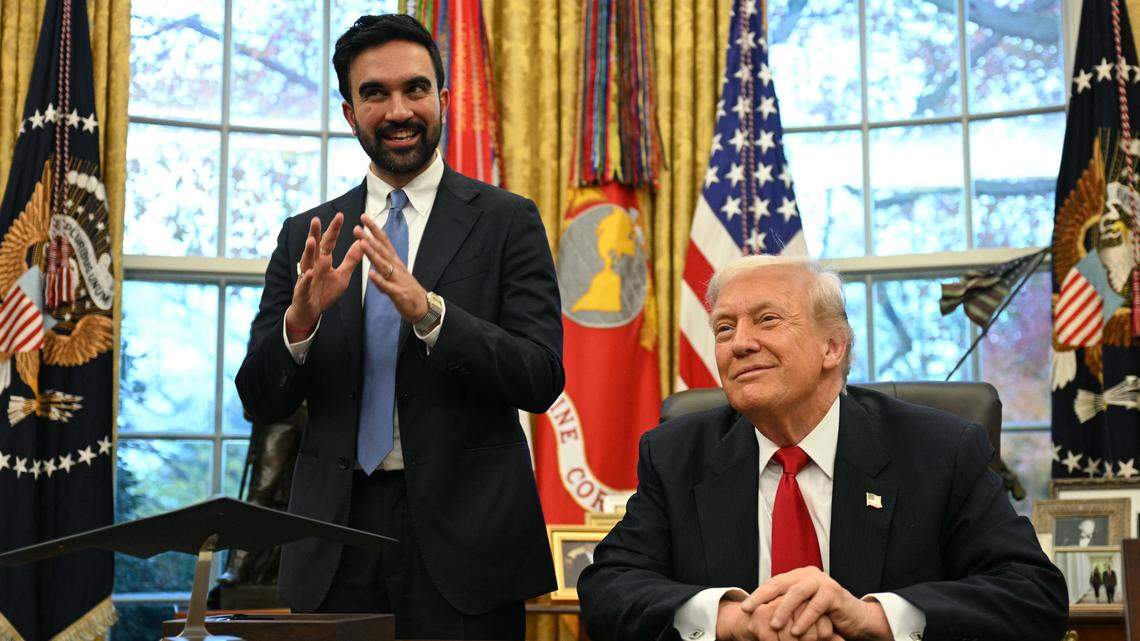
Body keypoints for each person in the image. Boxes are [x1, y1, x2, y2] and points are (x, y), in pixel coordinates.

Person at [235, 14, 564, 640]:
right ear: (348, 111)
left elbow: (540, 377)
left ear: (443, 98)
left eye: (415, 89)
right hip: (334, 539)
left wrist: (429, 314)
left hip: (470, 544)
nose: (398, 110)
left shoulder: (507, 221)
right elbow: (260, 398)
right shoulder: (307, 236)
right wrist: (300, 323)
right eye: (375, 94)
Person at [577, 256, 1068, 641]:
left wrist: (870, 617)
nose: (739, 343)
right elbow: (608, 589)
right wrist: (729, 619)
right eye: (724, 328)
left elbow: (1033, 595)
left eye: (767, 320)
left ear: (832, 347)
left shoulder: (939, 449)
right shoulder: (676, 453)